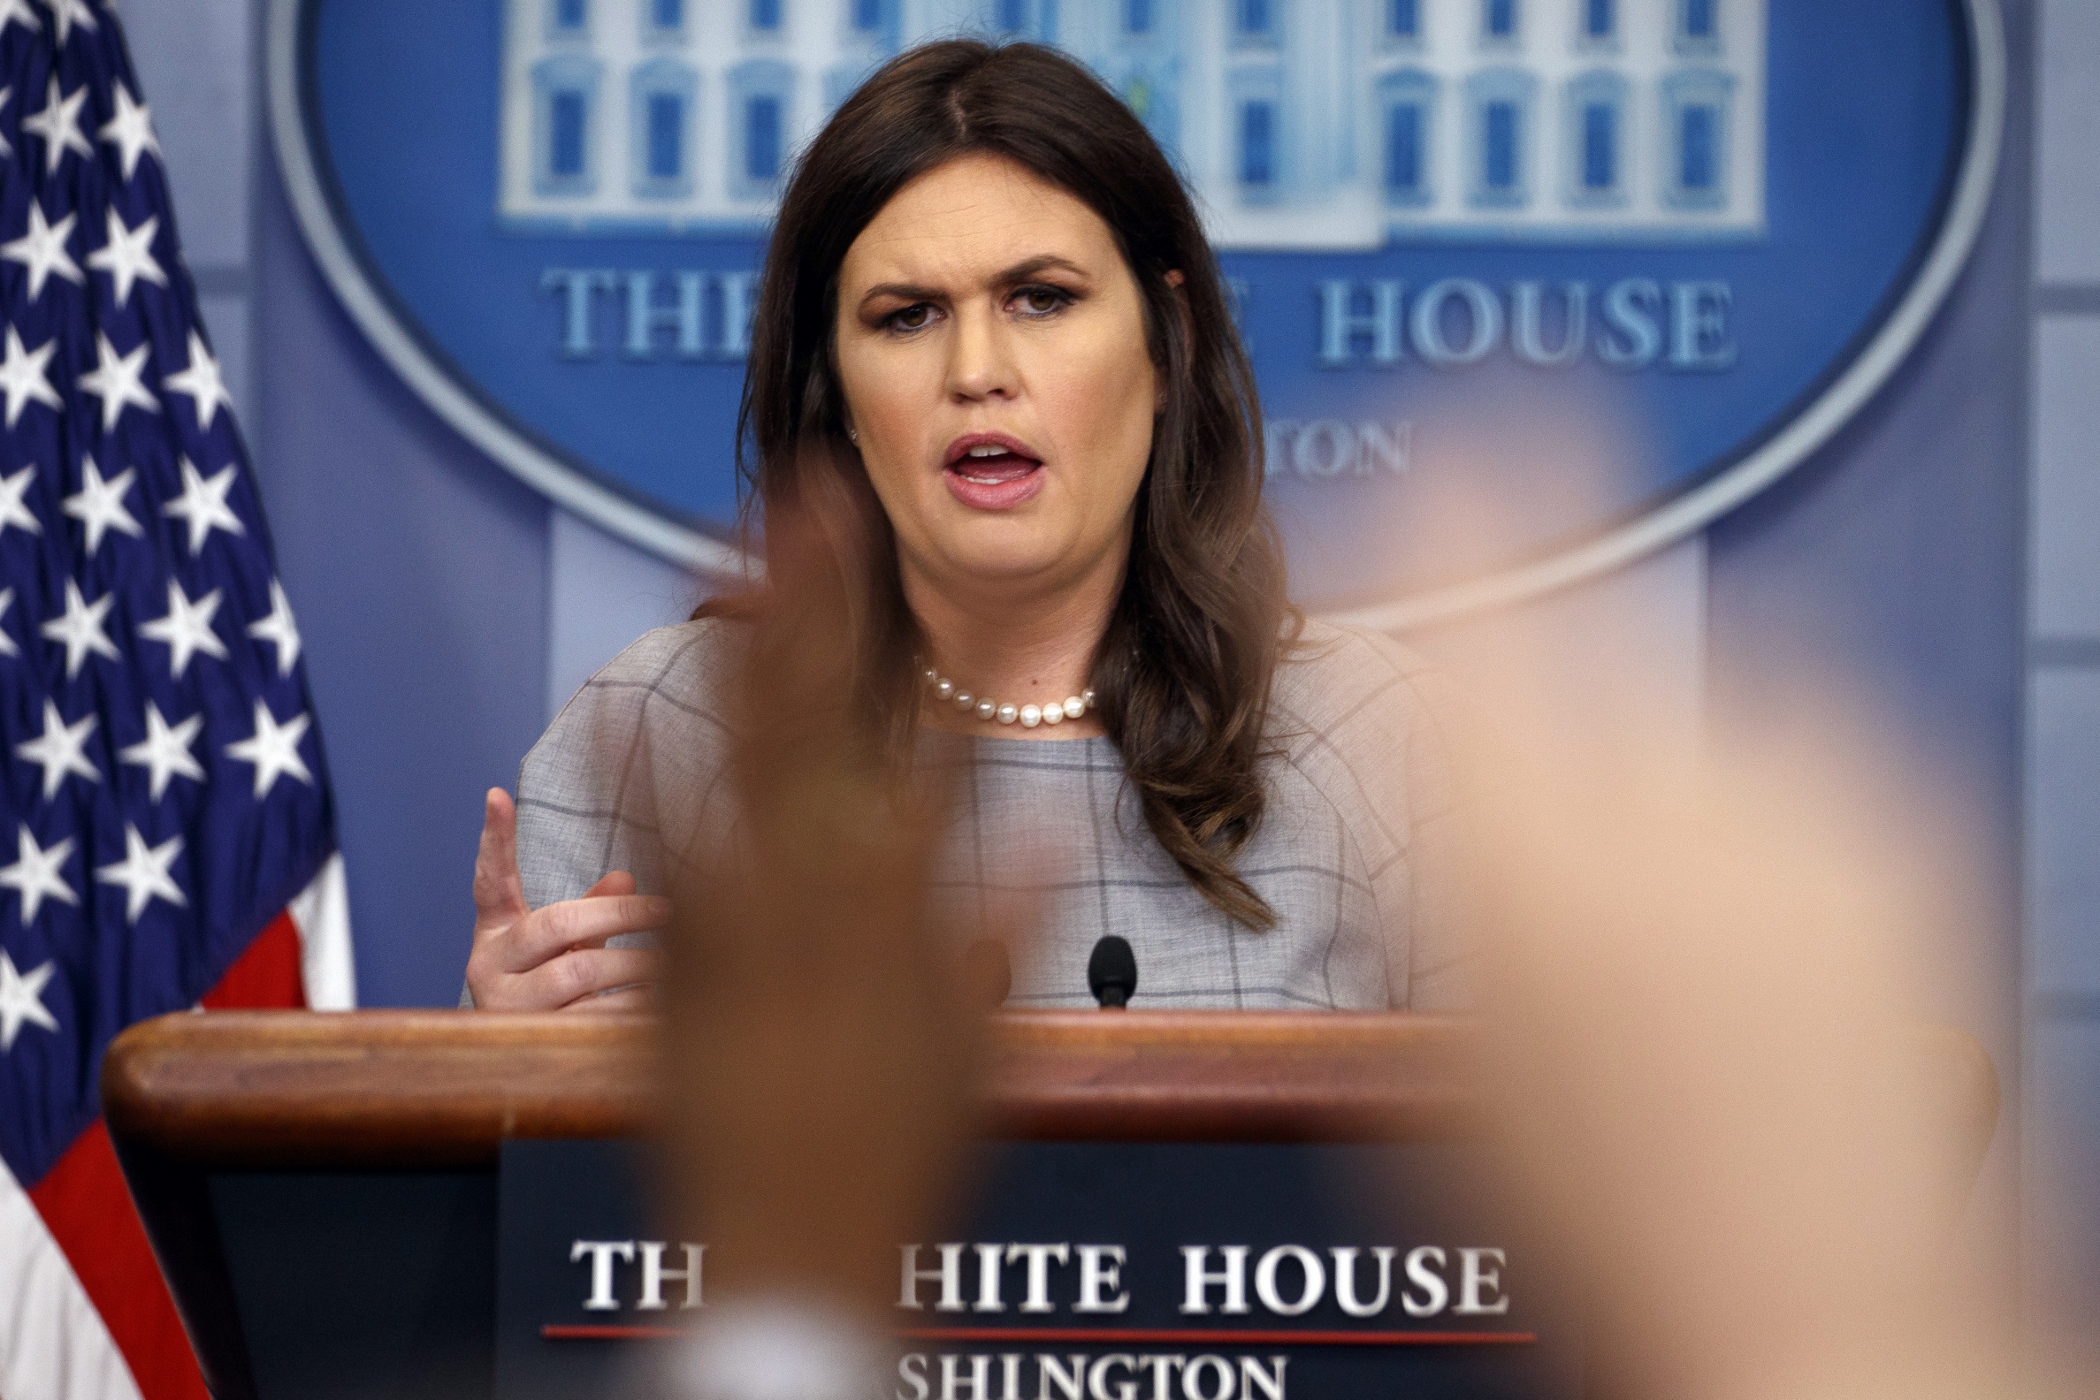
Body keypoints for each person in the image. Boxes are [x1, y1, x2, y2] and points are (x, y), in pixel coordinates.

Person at [463, 39, 1465, 1015]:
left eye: (1041, 299)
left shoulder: (1377, 738)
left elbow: (1529, 1129)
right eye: (908, 315)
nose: (977, 371)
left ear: (1169, 345)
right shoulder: (670, 731)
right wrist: (505, 1073)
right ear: (837, 389)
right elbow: (524, 1125)